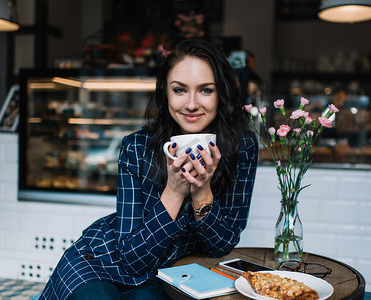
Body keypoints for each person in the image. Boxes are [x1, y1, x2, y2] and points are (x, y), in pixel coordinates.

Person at [39, 39, 259, 299]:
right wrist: (175, 192)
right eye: (179, 90)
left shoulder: (241, 147)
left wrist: (202, 192)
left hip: (164, 273)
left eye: (205, 90)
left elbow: (220, 246)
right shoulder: (136, 147)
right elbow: (131, 259)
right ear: (165, 91)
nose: (190, 104)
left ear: (221, 93)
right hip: (101, 262)